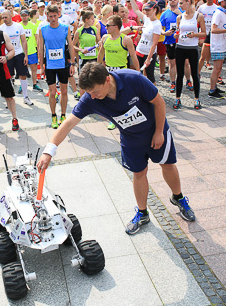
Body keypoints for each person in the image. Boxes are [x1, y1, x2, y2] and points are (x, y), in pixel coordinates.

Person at [37, 63, 196, 235]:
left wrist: (159, 132)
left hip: (155, 131)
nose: (93, 97)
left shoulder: (133, 79)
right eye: (89, 93)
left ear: (107, 80)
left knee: (167, 165)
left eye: (96, 92)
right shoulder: (91, 98)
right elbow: (68, 124)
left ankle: (178, 197)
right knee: (139, 173)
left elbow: (159, 103)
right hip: (130, 138)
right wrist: (49, 151)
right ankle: (142, 213)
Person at [38, 5, 76, 129]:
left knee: (64, 91)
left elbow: (70, 46)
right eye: (50, 16)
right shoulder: (43, 29)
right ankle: (54, 115)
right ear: (47, 16)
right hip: (50, 65)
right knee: (52, 92)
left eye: (55, 16)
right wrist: (41, 66)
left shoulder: (65, 28)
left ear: (58, 15)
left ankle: (63, 115)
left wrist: (73, 63)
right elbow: (40, 48)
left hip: (63, 64)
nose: (53, 19)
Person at [173, 0, 206, 110]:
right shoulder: (179, 17)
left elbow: (204, 33)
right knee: (180, 74)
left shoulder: (198, 16)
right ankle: (177, 98)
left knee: (195, 74)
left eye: (181, 3)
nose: (180, 5)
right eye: (179, 3)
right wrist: (175, 35)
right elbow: (177, 31)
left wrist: (194, 35)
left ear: (188, 2)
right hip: (180, 47)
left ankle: (197, 99)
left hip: (192, 48)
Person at [0, 10, 33, 106]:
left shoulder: (18, 26)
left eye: (6, 17)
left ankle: (25, 96)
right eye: (3, 18)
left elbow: (23, 41)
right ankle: (9, 98)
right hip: (7, 55)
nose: (4, 19)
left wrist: (26, 55)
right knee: (8, 76)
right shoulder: (1, 28)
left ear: (11, 16)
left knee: (23, 75)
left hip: (19, 54)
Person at [208, 0, 226, 99]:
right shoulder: (218, 13)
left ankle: (214, 87)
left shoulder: (223, 13)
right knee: (216, 68)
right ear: (223, 2)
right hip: (218, 45)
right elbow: (213, 30)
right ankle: (212, 90)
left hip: (221, 44)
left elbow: (219, 27)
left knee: (219, 68)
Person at [129, 0, 161, 84]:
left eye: (148, 10)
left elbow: (154, 43)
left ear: (155, 10)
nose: (146, 12)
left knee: (150, 76)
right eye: (145, 10)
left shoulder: (157, 24)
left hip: (148, 53)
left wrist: (148, 58)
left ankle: (154, 95)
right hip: (139, 50)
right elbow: (136, 10)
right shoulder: (146, 19)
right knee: (138, 73)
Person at [159, 0, 184, 92]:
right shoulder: (164, 14)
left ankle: (186, 81)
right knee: (172, 63)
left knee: (185, 63)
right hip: (170, 41)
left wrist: (180, 14)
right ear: (168, 1)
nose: (173, 0)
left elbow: (191, 22)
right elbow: (160, 27)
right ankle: (173, 82)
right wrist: (164, 33)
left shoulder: (183, 11)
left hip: (183, 41)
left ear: (178, 0)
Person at [20, 10, 43, 92]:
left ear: (28, 16)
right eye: (22, 15)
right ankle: (22, 85)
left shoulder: (33, 25)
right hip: (22, 51)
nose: (24, 17)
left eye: (26, 15)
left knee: (34, 68)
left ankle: (34, 84)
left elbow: (37, 37)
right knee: (23, 70)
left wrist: (38, 48)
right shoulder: (19, 26)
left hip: (32, 50)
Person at [198, 0, 218, 72]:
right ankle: (202, 59)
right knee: (201, 43)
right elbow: (197, 17)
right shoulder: (201, 7)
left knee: (208, 45)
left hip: (212, 30)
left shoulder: (216, 8)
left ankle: (207, 62)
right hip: (203, 29)